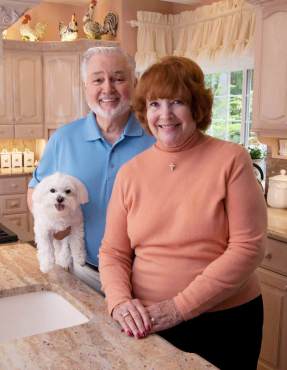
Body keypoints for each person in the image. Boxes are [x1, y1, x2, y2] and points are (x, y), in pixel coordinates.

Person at [99, 56, 267, 370]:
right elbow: (113, 252)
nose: (165, 115)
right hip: (148, 323)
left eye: (177, 102)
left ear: (197, 106)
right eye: (154, 104)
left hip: (225, 323)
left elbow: (248, 248)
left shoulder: (231, 160)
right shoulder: (130, 173)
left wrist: (178, 308)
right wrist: (119, 303)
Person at [27, 46, 155, 276]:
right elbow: (35, 190)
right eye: (98, 80)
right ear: (86, 85)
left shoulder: (156, 138)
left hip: (145, 272)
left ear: (134, 83)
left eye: (118, 78)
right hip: (83, 269)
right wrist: (49, 223)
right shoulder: (62, 138)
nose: (108, 88)